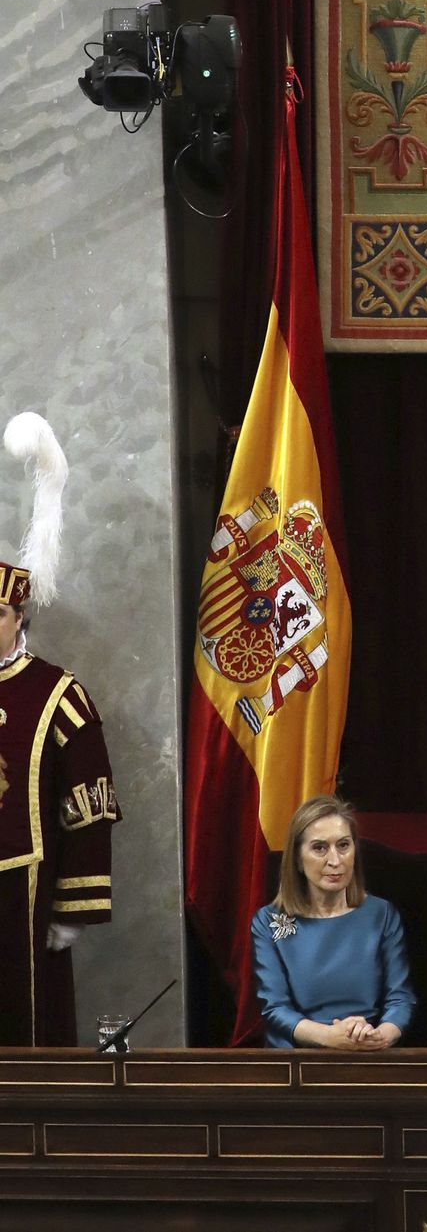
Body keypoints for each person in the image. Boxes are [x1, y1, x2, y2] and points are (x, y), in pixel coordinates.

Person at [0, 412, 120, 1049]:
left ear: (19, 617)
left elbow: (89, 806)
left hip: (25, 889)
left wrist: (71, 907)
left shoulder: (57, 693)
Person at [251, 796, 416, 1049]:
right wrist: (330, 1037)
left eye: (343, 845)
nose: (335, 861)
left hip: (367, 1051)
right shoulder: (267, 921)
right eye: (319, 848)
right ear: (297, 858)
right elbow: (275, 1009)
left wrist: (380, 1036)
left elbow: (401, 999)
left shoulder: (381, 914)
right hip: (297, 1060)